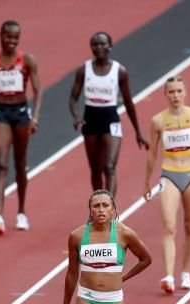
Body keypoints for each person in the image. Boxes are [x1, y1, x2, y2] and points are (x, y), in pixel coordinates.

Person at [143, 76, 190, 294]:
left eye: (178, 91)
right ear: (165, 95)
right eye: (171, 92)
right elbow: (152, 155)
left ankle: (185, 272)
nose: (175, 95)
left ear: (185, 93)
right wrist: (146, 181)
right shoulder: (158, 121)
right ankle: (168, 275)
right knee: (169, 227)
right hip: (169, 174)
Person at [57, 189, 151, 304]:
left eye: (105, 205)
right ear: (90, 210)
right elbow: (72, 274)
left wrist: (123, 277)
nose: (101, 209)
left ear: (113, 209)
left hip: (113, 299)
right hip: (87, 298)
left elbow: (146, 259)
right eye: (96, 206)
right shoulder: (77, 236)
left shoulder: (125, 234)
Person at [0, 20, 42, 234]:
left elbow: (38, 90)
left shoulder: (27, 61)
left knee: (20, 164)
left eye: (15, 38)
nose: (12, 41)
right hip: (1, 114)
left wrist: (35, 118)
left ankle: (21, 213)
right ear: (0, 36)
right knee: (2, 164)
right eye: (8, 37)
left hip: (22, 114)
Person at [69, 32, 149, 196]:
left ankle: (109, 207)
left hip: (111, 119)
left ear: (110, 46)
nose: (99, 47)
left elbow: (128, 103)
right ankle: (99, 204)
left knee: (109, 166)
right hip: (90, 120)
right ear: (91, 47)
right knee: (96, 169)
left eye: (102, 44)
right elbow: (73, 98)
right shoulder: (83, 70)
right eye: (95, 44)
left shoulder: (120, 72)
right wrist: (77, 117)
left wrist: (138, 132)